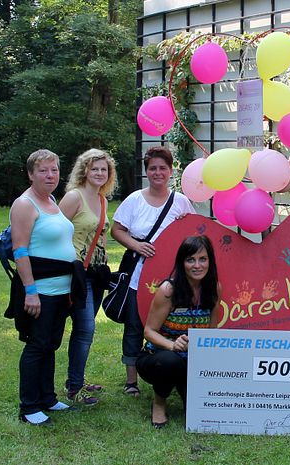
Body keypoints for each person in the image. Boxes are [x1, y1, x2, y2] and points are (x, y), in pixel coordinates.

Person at [111, 146, 195, 396]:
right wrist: (137, 245)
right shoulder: (134, 199)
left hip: (171, 279)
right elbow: (117, 230)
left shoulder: (180, 201)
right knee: (135, 325)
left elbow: (192, 234)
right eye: (152, 168)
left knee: (170, 324)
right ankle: (131, 380)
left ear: (171, 171)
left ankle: (173, 368)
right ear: (146, 171)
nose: (157, 173)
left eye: (162, 168)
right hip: (140, 275)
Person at [10, 149, 78, 425]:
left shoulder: (50, 200)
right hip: (41, 290)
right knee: (37, 346)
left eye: (54, 170)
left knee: (50, 344)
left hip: (62, 289)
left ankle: (48, 398)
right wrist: (30, 291)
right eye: (43, 170)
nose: (50, 175)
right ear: (30, 174)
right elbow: (20, 250)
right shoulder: (25, 204)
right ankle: (29, 406)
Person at [136, 235, 221, 428]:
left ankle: (187, 388)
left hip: (192, 360)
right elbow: (149, 332)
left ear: (210, 261)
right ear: (182, 263)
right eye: (190, 259)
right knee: (170, 361)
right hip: (157, 357)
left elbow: (212, 329)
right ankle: (159, 403)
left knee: (195, 408)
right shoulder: (168, 290)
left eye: (203, 259)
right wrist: (172, 345)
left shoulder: (215, 289)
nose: (197, 265)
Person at [58, 148, 117, 406]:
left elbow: (101, 234)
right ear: (84, 170)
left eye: (104, 169)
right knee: (86, 329)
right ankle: (74, 388)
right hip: (75, 273)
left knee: (83, 331)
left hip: (94, 274)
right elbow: (54, 231)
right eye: (95, 168)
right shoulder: (74, 197)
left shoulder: (103, 200)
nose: (99, 173)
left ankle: (75, 381)